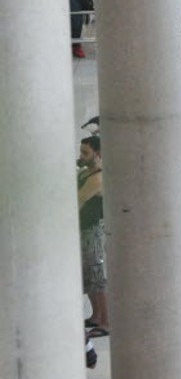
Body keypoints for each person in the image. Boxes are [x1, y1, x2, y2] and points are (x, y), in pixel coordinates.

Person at [77, 136, 108, 336]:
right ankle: (96, 315)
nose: (81, 156)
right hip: (83, 230)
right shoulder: (84, 173)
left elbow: (77, 201)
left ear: (97, 154)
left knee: (96, 278)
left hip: (93, 232)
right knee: (88, 277)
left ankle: (106, 321)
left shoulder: (97, 178)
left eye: (85, 153)